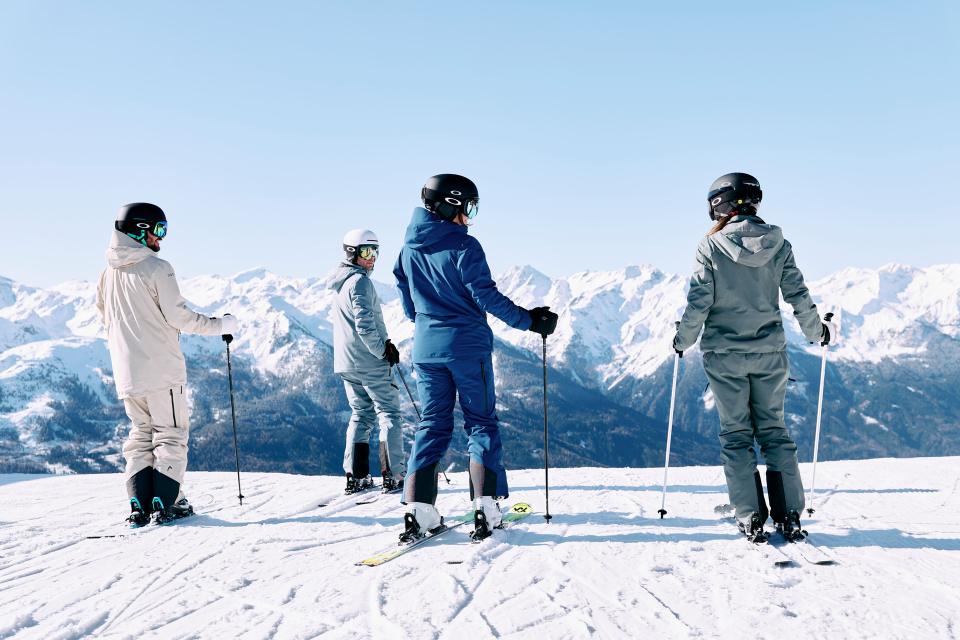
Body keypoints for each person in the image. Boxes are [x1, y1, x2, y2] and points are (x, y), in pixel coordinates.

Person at [673, 173, 838, 543]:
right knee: (775, 433)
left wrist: (681, 340)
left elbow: (699, 302)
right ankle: (789, 513)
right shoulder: (779, 244)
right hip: (770, 355)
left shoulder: (710, 246)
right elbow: (798, 295)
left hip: (725, 357)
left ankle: (750, 515)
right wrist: (818, 333)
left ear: (721, 204)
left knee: (736, 436)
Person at [393, 174, 558, 542]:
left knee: (432, 424)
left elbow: (409, 305)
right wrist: (530, 321)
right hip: (467, 347)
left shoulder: (407, 250)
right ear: (451, 204)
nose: (470, 216)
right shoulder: (464, 246)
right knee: (481, 422)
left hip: (426, 348)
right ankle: (485, 506)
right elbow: (487, 296)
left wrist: (431, 325)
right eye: (469, 207)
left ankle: (418, 511)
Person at [96, 203, 238, 527]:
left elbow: (104, 317)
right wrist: (222, 325)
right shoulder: (158, 269)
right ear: (137, 231)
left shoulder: (107, 274)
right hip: (162, 371)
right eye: (157, 231)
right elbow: (181, 317)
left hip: (127, 373)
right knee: (171, 435)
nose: (161, 240)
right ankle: (167, 501)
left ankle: (139, 503)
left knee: (140, 435)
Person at [327, 228, 407, 495]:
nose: (372, 257)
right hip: (368, 360)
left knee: (361, 415)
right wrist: (384, 351)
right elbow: (364, 325)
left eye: (375, 251)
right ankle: (394, 474)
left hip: (347, 362)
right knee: (389, 413)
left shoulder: (340, 284)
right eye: (366, 251)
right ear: (352, 253)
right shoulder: (360, 282)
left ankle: (356, 476)